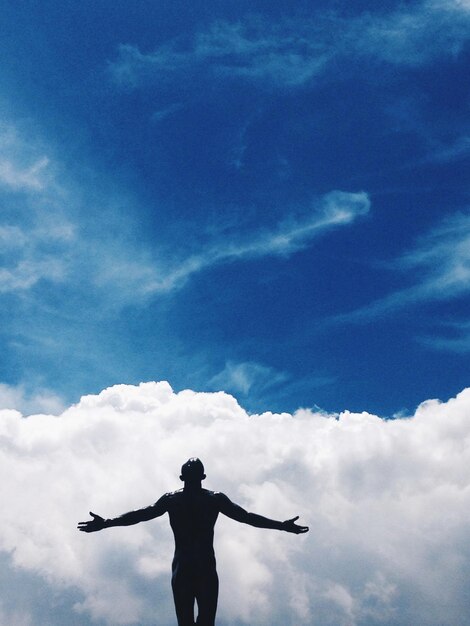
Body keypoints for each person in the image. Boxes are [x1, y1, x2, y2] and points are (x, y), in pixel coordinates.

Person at [78, 458, 309, 626]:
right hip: (204, 567)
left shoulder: (174, 500)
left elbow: (140, 515)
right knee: (203, 621)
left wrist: (106, 523)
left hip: (184, 566)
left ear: (182, 477)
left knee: (188, 621)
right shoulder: (211, 499)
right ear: (203, 477)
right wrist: (281, 525)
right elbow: (247, 518)